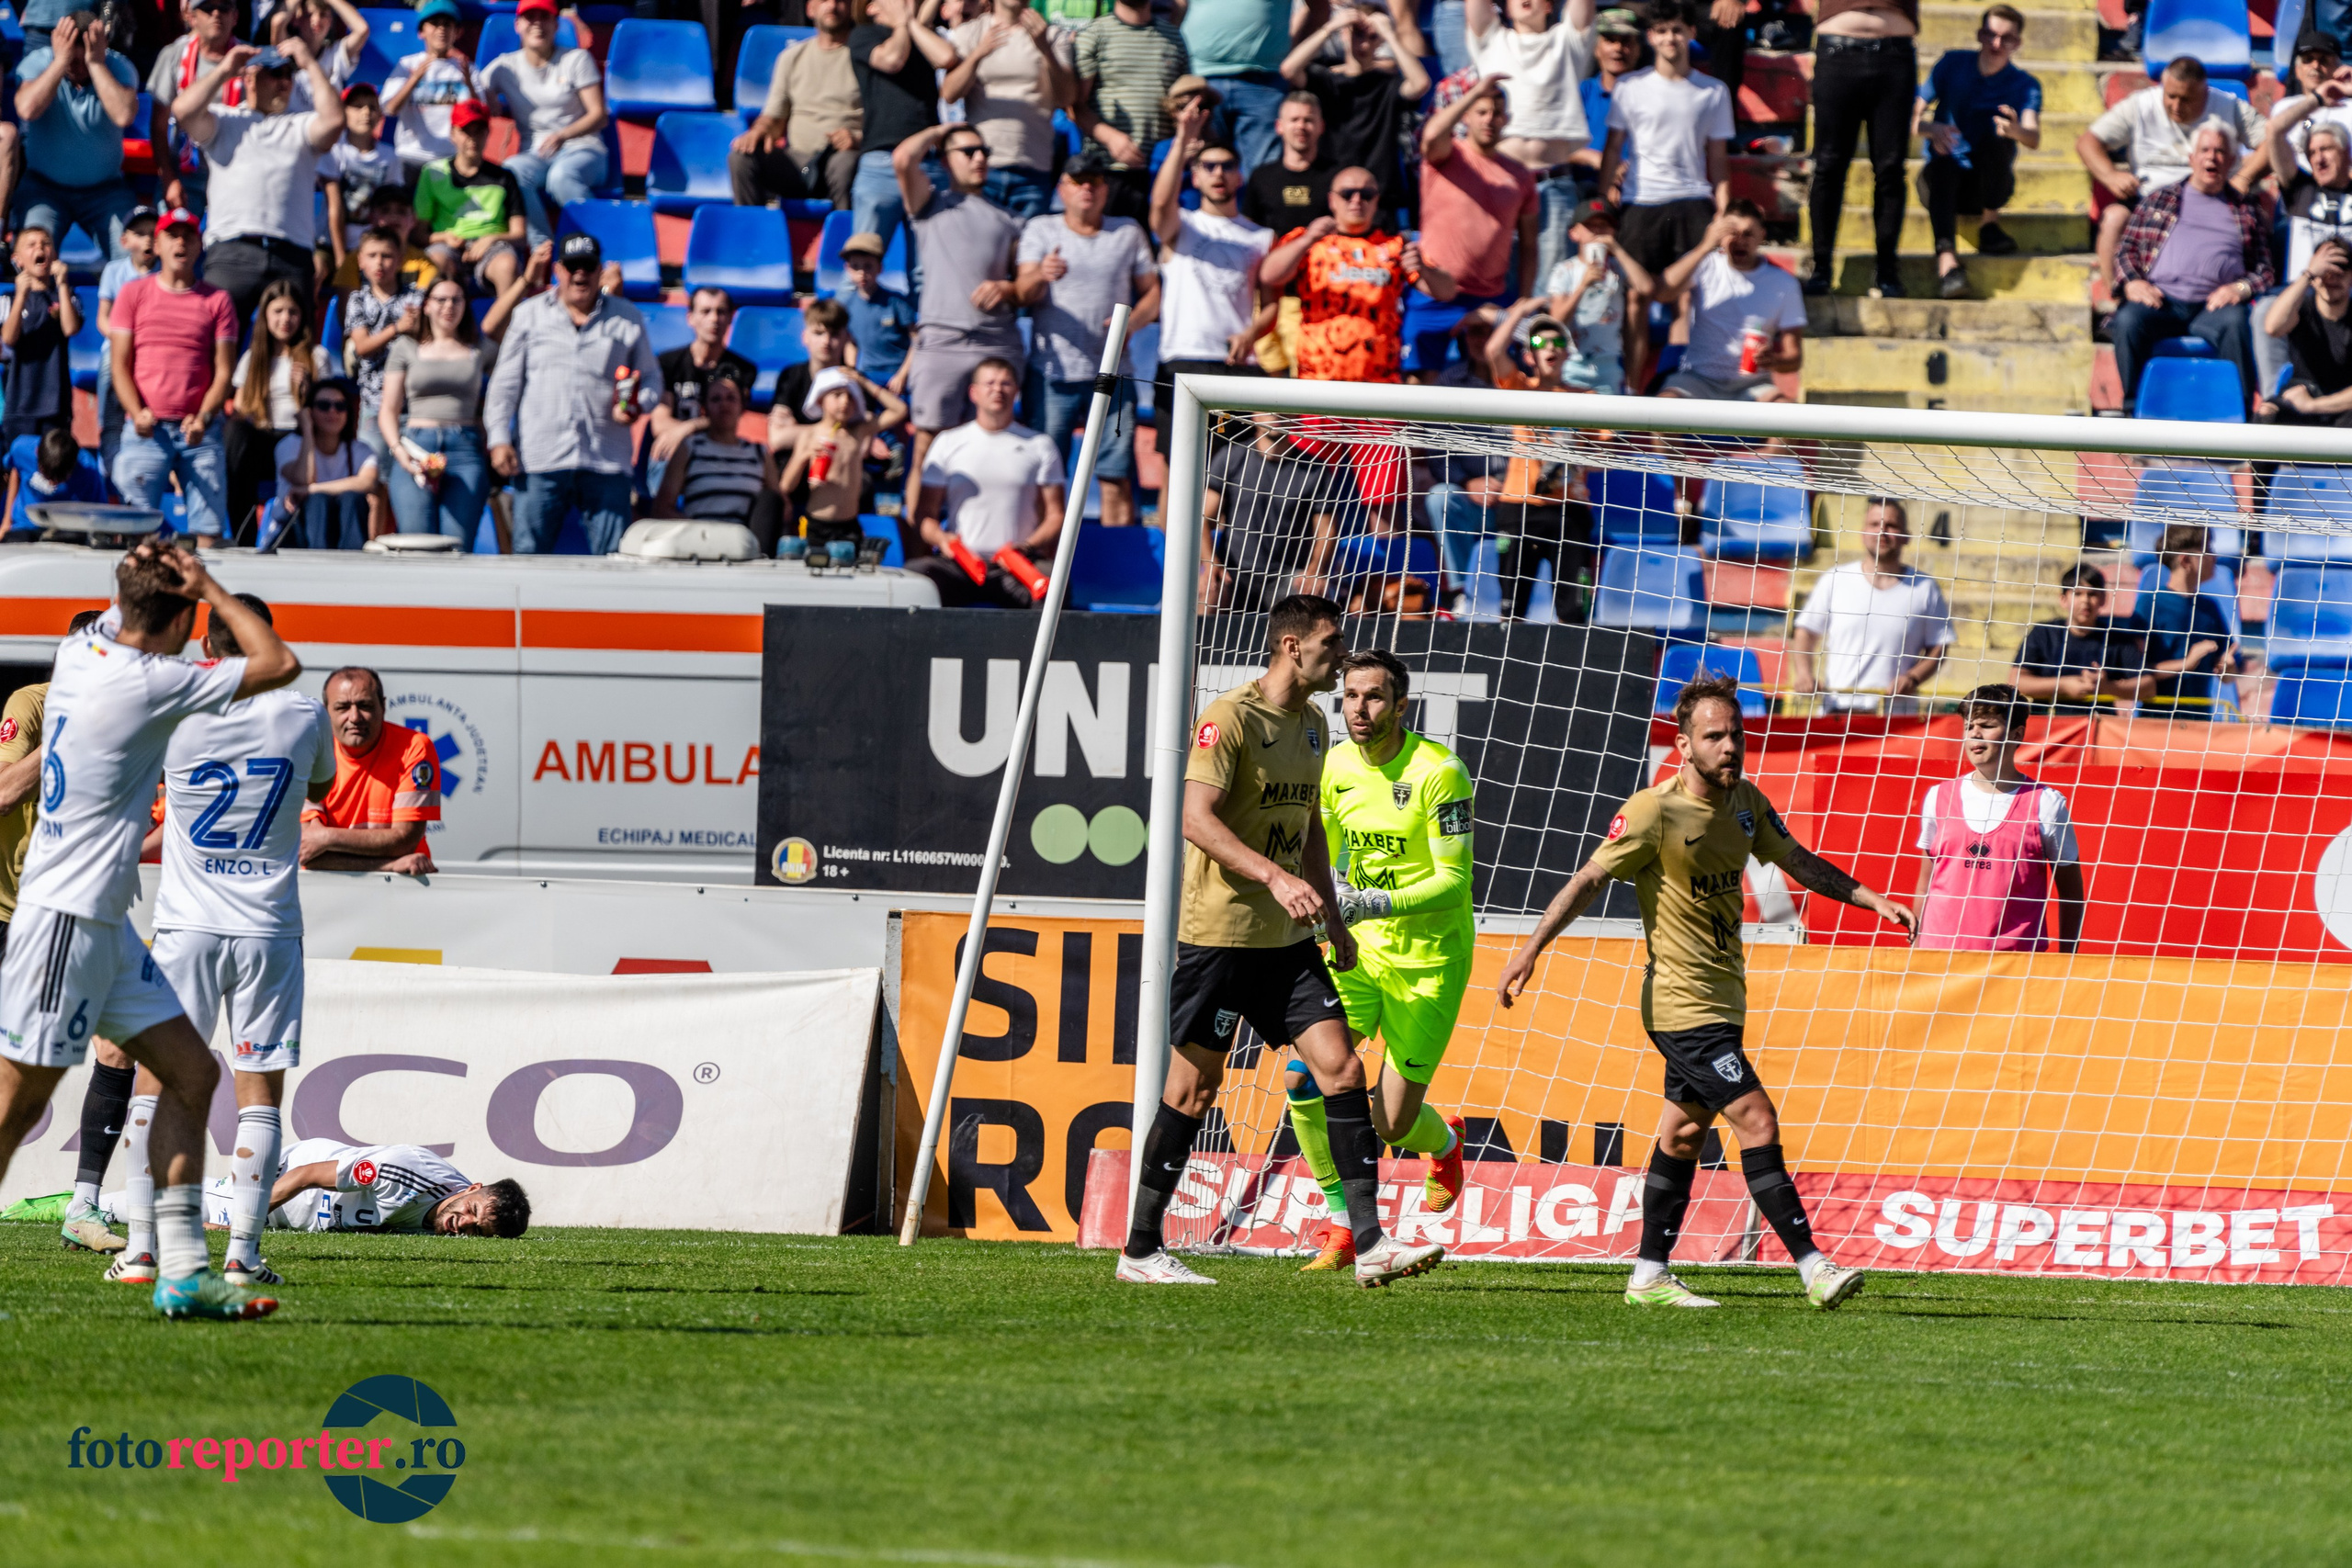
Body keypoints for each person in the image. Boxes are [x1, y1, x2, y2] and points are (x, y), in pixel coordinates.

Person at [1497, 671, 1913, 1310]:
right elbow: (1587, 879)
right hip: (1680, 1004)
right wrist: (1530, 948)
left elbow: (1797, 859)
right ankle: (1813, 1266)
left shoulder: (1746, 801)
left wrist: (1870, 899)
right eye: (1713, 736)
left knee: (1683, 1136)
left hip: (1724, 1000)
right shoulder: (1652, 810)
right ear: (1684, 745)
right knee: (1756, 1116)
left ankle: (1648, 1274)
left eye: (1736, 734)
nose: (1729, 746)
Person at [0, 541, 301, 1321]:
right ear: (179, 620)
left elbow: (134, 608)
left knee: (194, 1074)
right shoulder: (152, 684)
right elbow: (278, 663)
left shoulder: (82, 646)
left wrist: (158, 583)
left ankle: (181, 1271)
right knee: (15, 1105)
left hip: (105, 925)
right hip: (67, 918)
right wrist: (210, 584)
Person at [1121, 592, 1446, 1288]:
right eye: (1332, 644)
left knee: (1342, 1071)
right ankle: (1141, 1249)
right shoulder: (1229, 719)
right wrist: (1273, 877)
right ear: (1293, 647)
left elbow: (1311, 831)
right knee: (1192, 1091)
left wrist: (1331, 917)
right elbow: (1195, 820)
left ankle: (1372, 1243)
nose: (1341, 655)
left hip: (1289, 944)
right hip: (1220, 939)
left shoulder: (1315, 726)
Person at [123, 591, 338, 1289]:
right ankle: (244, 1253)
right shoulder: (304, 711)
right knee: (260, 1097)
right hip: (267, 929)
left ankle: (141, 1248)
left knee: (155, 1087)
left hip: (186, 926)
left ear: (207, 647)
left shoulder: (175, 710)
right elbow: (325, 781)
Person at [1284, 648, 1475, 1272]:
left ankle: (1443, 1143)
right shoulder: (1335, 764)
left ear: (1400, 705)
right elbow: (1327, 855)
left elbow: (1454, 881)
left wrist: (1375, 899)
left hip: (1430, 961)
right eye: (1350, 696)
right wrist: (1325, 901)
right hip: (1358, 951)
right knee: (1304, 1078)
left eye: (1373, 697)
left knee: (1392, 1123)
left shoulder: (1440, 772)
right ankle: (1344, 1224)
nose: (1358, 709)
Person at [0, 609, 127, 1256]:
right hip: (12, 916)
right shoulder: (31, 705)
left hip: (86, 916)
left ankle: (83, 1204)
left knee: (120, 1048)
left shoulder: (125, 716)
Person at [484, 231, 662, 555]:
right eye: (572, 266)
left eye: (588, 266)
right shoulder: (529, 314)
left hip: (606, 458)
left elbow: (651, 379)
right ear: (558, 270)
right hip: (541, 456)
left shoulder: (628, 317)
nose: (580, 273)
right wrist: (498, 439)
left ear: (599, 271)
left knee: (615, 561)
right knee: (528, 557)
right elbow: (504, 384)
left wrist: (637, 405)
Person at [1015, 148, 1159, 526]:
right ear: (1062, 188)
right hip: (1051, 373)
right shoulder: (1041, 229)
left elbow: (1154, 293)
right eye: (1078, 181)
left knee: (1114, 476)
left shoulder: (1127, 231)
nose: (1087, 189)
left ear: (1106, 188)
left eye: (1094, 181)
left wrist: (1132, 324)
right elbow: (1022, 293)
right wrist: (1040, 274)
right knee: (1046, 477)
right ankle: (1047, 561)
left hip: (1113, 374)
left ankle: (1113, 572)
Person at [175, 38, 346, 333]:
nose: (284, 82)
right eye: (274, 74)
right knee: (215, 350)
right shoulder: (224, 120)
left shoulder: (301, 124)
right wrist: (225, 69)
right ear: (250, 79)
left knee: (296, 359)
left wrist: (309, 62)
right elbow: (183, 111)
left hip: (291, 255)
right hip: (232, 253)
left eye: (288, 75)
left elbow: (334, 120)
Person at [2110, 123, 2272, 419]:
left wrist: (2239, 289)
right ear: (2191, 158)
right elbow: (2126, 250)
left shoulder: (2246, 210)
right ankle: (2134, 413)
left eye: (2221, 151)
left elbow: (2264, 270)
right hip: (2162, 302)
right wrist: (2133, 283)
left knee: (2237, 324)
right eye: (2206, 150)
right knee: (2127, 321)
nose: (2212, 158)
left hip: (2215, 307)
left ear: (2233, 160)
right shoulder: (2159, 199)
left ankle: (2241, 419)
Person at [1913, 683, 2086, 955]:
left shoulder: (2047, 803)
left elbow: (2071, 892)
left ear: (2017, 734)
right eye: (1969, 725)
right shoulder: (1938, 797)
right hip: (1938, 960)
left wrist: (2068, 958)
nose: (1974, 733)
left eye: (1986, 725)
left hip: (2012, 965)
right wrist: (1916, 948)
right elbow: (1926, 883)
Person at [895, 120, 1025, 481]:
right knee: (927, 448)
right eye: (968, 151)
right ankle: (920, 539)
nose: (980, 157)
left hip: (997, 344)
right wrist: (944, 128)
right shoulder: (929, 204)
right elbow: (904, 158)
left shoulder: (1010, 219)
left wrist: (1008, 288)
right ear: (946, 159)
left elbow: (1026, 286)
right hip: (941, 342)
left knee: (992, 451)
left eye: (984, 151)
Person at [2079, 58, 2267, 302]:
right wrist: (2111, 176)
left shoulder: (2227, 106)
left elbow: (2273, 141)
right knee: (2113, 218)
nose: (2176, 106)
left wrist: (2243, 178)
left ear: (2205, 92)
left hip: (2215, 201)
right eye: (2170, 96)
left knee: (2257, 218)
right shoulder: (2141, 105)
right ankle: (2118, 306)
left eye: (2186, 99)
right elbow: (2088, 142)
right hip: (2150, 204)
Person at [1603, 0, 1732, 345]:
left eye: (1677, 30)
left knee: (1688, 297)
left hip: (1693, 198)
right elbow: (1613, 149)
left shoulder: (1714, 91)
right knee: (1635, 298)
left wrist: (1723, 208)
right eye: (1661, 31)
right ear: (1650, 37)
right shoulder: (1629, 87)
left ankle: (1683, 383)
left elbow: (1718, 160)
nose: (1670, 38)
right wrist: (1603, 204)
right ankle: (1631, 392)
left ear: (1691, 33)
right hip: (1640, 200)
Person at [111, 207, 241, 546]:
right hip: (146, 431)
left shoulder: (218, 300)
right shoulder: (132, 294)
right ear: (158, 243)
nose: (181, 242)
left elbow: (224, 370)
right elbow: (119, 364)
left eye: (189, 236)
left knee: (209, 531)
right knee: (136, 534)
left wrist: (204, 416)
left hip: (200, 432)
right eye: (172, 235)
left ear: (200, 245)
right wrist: (136, 411)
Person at [1261, 165, 1456, 385]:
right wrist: (1307, 240)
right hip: (1318, 381)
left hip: (1379, 383)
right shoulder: (1309, 242)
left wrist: (1424, 268)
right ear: (1332, 200)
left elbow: (1447, 292)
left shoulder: (1395, 246)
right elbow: (1269, 275)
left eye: (1366, 194)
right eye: (1347, 194)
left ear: (1376, 200)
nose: (1356, 200)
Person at [1149, 105, 1272, 442]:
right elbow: (1160, 205)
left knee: (1235, 474)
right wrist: (1181, 140)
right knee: (1175, 474)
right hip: (1183, 357)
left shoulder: (1261, 237)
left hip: (1237, 364)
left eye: (1227, 166)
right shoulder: (1183, 226)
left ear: (1240, 175)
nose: (1218, 173)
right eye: (1209, 166)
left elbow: (1272, 303)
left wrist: (1250, 334)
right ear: (1196, 175)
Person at [908, 357, 1067, 607]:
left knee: (1056, 586)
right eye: (989, 383)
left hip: (1017, 564)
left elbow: (1056, 514)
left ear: (1016, 391)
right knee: (917, 578)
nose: (998, 390)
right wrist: (941, 539)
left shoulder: (1039, 445)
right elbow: (925, 515)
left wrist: (1027, 546)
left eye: (1006, 384)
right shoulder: (948, 442)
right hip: (961, 564)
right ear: (974, 392)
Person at [1464, 0, 1594, 288]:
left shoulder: (1568, 40)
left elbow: (1583, 9)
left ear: (1549, 5)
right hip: (1501, 185)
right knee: (1496, 285)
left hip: (1554, 187)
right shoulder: (1492, 40)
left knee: (1550, 290)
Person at [1915, 5, 2040, 299]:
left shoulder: (2024, 85)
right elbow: (1910, 117)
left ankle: (1990, 224)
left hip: (1987, 185)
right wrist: (1931, 129)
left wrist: (2015, 131)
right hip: (1940, 182)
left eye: (2006, 38)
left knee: (1998, 140)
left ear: (2017, 44)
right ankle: (1947, 263)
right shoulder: (1952, 64)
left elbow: (2032, 137)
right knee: (1943, 153)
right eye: (1990, 35)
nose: (1996, 45)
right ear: (1979, 35)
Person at [1790, 497, 1953, 713]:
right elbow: (1805, 631)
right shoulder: (1835, 579)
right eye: (1875, 524)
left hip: (1895, 717)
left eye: (1891, 525)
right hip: (1838, 710)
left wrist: (1912, 678)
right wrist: (1803, 674)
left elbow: (1939, 646)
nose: (1882, 532)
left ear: (1906, 536)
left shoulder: (1925, 587)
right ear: (1863, 532)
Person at [1481, 297, 1590, 618]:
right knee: (1511, 607)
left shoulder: (1588, 400)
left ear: (1568, 353)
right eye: (1541, 341)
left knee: (1574, 611)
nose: (1551, 347)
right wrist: (1518, 312)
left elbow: (1601, 456)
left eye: (1559, 341)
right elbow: (1493, 352)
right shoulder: (1520, 389)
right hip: (1519, 506)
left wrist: (1570, 452)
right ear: (1529, 356)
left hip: (1569, 510)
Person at [1803, 0, 1917, 299]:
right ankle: (1822, 266)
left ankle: (1887, 270)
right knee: (1828, 165)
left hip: (1895, 53)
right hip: (1837, 52)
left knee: (1890, 168)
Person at [1281, 4, 1429, 233]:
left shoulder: (1387, 85)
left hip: (1377, 196)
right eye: (1358, 34)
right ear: (1344, 34)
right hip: (1331, 195)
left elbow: (1421, 84)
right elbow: (1289, 69)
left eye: (1372, 37)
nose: (1365, 44)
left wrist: (1390, 33)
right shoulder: (1325, 80)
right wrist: (1329, 28)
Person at [13, 8, 142, 261]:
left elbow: (124, 115)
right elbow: (26, 110)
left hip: (106, 191)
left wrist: (96, 64)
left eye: (81, 60)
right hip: (43, 189)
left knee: (133, 258)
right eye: (70, 59)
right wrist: (59, 63)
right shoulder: (41, 61)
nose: (76, 67)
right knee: (30, 258)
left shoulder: (117, 66)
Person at [379, 276, 501, 542]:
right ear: (426, 306)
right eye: (441, 300)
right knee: (417, 543)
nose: (449, 307)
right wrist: (399, 452)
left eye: (456, 300)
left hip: (464, 447)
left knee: (457, 544)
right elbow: (388, 409)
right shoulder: (406, 347)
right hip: (415, 446)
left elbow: (507, 387)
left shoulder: (480, 349)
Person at [480, 0, 606, 246]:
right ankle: (543, 248)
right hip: (535, 154)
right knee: (511, 172)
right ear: (517, 25)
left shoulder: (576, 59)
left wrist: (563, 135)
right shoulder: (504, 66)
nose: (537, 24)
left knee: (562, 178)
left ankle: (591, 247)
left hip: (583, 147)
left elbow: (598, 115)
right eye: (530, 17)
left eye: (544, 17)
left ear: (556, 25)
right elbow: (476, 92)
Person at [1655, 199, 1804, 400]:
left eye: (1748, 234)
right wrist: (1705, 245)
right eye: (1732, 232)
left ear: (1762, 235)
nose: (1740, 240)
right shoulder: (1707, 264)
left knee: (1789, 425)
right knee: (1661, 414)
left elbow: (1794, 359)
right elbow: (1663, 293)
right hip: (1698, 378)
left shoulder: (1783, 283)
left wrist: (1773, 360)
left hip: (1752, 384)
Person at [847, 0, 958, 264]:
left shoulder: (922, 36)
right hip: (881, 164)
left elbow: (946, 58)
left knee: (928, 271)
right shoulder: (864, 35)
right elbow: (892, 60)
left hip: (927, 165)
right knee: (863, 265)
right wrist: (902, 24)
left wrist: (909, 23)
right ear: (872, 7)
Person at [944, 0, 1075, 221]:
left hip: (1034, 168)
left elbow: (1066, 98)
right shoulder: (969, 33)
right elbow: (949, 94)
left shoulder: (1052, 35)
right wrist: (978, 54)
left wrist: (1044, 48)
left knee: (1026, 254)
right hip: (983, 167)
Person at [232, 1137, 530, 1235]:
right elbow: (304, 1175)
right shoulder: (404, 1171)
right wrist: (242, 1224)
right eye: (471, 1209)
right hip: (274, 1179)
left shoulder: (450, 1229)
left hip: (292, 1220)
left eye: (476, 1229)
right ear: (471, 1188)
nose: (462, 1223)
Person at [1418, 71, 1538, 309]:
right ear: (1466, 117)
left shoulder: (1521, 176)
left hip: (1489, 298)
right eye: (1481, 112)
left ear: (1506, 119)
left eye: (1496, 113)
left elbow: (1529, 245)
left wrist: (1523, 300)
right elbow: (1431, 135)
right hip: (1431, 292)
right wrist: (1474, 93)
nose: (1488, 120)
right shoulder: (1447, 155)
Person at [302, 666, 439, 874]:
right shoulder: (310, 753)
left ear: (383, 707)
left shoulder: (414, 747)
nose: (355, 717)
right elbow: (309, 853)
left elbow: (405, 841)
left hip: (404, 892)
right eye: (342, 708)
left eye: (365, 705)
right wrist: (391, 865)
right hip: (329, 891)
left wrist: (327, 837)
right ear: (325, 712)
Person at [1199, 412, 1339, 610]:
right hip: (1234, 573)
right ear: (1255, 416)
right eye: (1270, 410)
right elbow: (1203, 518)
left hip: (1286, 576)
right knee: (1209, 588)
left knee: (1314, 597)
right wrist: (1211, 562)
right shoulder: (1231, 457)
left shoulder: (1315, 469)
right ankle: (1201, 642)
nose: (1276, 416)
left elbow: (1326, 530)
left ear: (1296, 417)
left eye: (1283, 410)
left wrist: (1315, 570)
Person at [2260, 102, 2352, 404]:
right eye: (2312, 152)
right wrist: (2316, 98)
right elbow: (2274, 130)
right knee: (2264, 312)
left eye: (2327, 149)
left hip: (2348, 290)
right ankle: (2277, 397)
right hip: (2303, 291)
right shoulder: (2301, 189)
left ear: (2347, 154)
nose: (2318, 158)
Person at [729, 0, 860, 210]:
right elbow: (774, 118)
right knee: (741, 158)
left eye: (840, 1)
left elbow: (883, 122)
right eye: (824, 0)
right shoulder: (791, 58)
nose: (833, 6)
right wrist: (758, 133)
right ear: (810, 9)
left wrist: (856, 140)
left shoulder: (866, 58)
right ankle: (753, 234)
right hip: (798, 162)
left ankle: (845, 239)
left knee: (845, 165)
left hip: (843, 157)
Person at [225, 276, 328, 535]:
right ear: (265, 316)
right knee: (235, 436)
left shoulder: (317, 357)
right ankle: (242, 535)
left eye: (292, 312)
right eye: (278, 311)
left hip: (299, 437)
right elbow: (239, 411)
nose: (285, 319)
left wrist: (308, 391)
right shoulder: (252, 359)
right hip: (263, 437)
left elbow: (329, 409)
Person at [1072, 0, 1190, 218]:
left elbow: (1184, 101)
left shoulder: (1174, 37)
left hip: (1161, 172)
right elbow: (1074, 106)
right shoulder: (1095, 33)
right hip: (1108, 171)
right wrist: (1110, 137)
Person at [1181, 0, 1328, 175]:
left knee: (1264, 174)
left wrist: (1292, 51)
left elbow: (1320, 9)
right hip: (1201, 79)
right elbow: (1177, 8)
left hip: (1265, 83)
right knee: (1206, 167)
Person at [778, 364, 908, 555]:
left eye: (850, 396)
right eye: (837, 395)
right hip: (816, 525)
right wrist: (805, 456)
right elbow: (786, 486)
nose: (845, 401)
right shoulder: (809, 435)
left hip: (849, 526)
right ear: (821, 399)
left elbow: (899, 409)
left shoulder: (858, 432)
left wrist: (863, 382)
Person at [413, 97, 527, 299]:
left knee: (507, 266)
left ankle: (509, 329)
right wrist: (445, 237)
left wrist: (490, 238)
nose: (472, 138)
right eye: (466, 131)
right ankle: (429, 330)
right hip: (448, 244)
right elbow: (419, 234)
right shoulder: (432, 173)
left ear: (487, 133)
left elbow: (519, 234)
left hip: (493, 246)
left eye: (479, 131)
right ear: (453, 134)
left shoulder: (504, 176)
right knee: (432, 263)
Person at [1543, 195, 1651, 393]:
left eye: (1604, 225)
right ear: (1574, 233)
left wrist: (1617, 249)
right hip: (1571, 363)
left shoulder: (1618, 267)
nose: (1598, 231)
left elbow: (1646, 288)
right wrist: (1583, 285)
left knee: (1607, 424)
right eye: (1590, 225)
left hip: (1608, 364)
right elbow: (1555, 321)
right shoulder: (1564, 270)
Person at [344, 222, 428, 476]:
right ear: (361, 261)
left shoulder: (417, 298)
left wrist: (418, 330)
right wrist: (398, 328)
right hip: (374, 401)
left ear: (401, 260)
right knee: (373, 478)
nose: (379, 263)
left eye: (387, 255)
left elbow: (427, 342)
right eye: (372, 256)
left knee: (417, 471)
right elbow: (363, 347)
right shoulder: (358, 300)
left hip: (413, 402)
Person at [2009, 562, 2151, 711]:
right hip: (2050, 727)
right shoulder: (2043, 633)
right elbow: (2015, 681)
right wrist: (2063, 685)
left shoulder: (2117, 638)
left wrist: (2107, 687)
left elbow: (2148, 687)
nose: (2085, 601)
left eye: (2092, 594)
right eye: (2078, 594)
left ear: (2103, 599)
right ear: (2063, 600)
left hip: (2098, 726)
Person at [2132, 524, 2238, 720]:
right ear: (2186, 560)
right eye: (2207, 550)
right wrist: (2187, 663)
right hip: (2156, 720)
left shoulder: (2209, 607)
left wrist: (2228, 667)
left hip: (2198, 720)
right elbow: (2136, 671)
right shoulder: (2150, 604)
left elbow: (2227, 676)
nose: (2214, 557)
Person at [148, 0, 242, 214]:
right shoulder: (173, 55)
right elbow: (159, 127)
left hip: (233, 172)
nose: (216, 14)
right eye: (208, 8)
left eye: (224, 8)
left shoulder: (247, 59)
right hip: (185, 173)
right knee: (168, 237)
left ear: (235, 17)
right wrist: (170, 179)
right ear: (191, 17)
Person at [650, 286, 757, 468]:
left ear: (731, 317)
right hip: (674, 449)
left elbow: (726, 424)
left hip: (718, 451)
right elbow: (660, 424)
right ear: (690, 318)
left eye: (721, 312)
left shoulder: (742, 369)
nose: (714, 319)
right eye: (706, 311)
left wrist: (689, 427)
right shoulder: (667, 363)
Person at [654, 372, 775, 534]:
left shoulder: (760, 453)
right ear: (704, 409)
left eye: (731, 398)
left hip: (747, 546)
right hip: (701, 543)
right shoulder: (689, 449)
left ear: (742, 407)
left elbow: (780, 505)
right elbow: (661, 508)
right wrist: (703, 533)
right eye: (716, 399)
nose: (724, 405)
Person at [318, 82, 401, 293]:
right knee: (316, 270)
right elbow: (334, 207)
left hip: (372, 247)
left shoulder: (389, 157)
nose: (366, 113)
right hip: (331, 244)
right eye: (357, 106)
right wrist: (340, 258)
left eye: (372, 107)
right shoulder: (334, 152)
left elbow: (392, 210)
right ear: (343, 111)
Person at [96, 205, 158, 478]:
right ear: (124, 241)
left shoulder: (165, 276)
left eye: (153, 234)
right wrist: (125, 342)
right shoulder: (114, 271)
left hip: (154, 352)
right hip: (119, 349)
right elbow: (103, 319)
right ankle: (108, 452)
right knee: (111, 365)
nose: (147, 240)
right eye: (140, 233)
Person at [2, 225, 80, 445]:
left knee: (54, 466)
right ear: (18, 260)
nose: (41, 248)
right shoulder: (8, 298)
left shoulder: (66, 296)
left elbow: (70, 328)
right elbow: (8, 338)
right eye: (32, 244)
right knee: (17, 465)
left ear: (54, 255)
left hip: (56, 403)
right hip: (19, 402)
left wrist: (63, 285)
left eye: (46, 243)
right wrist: (20, 296)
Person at [379, 0, 477, 174]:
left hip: (451, 159)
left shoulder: (466, 68)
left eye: (447, 24)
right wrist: (414, 79)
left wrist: (468, 82)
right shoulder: (407, 64)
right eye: (434, 24)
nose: (441, 30)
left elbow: (479, 114)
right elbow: (390, 109)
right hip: (410, 156)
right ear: (421, 32)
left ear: (457, 32)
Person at [281, 376, 378, 547]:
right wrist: (308, 431)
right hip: (298, 533)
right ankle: (317, 564)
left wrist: (309, 490)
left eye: (340, 406)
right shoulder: (290, 445)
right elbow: (303, 479)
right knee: (318, 500)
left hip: (344, 530)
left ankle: (353, 564)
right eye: (324, 406)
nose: (333, 412)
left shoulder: (361, 449)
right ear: (309, 411)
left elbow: (367, 483)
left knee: (352, 498)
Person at [1570, 6, 1643, 180]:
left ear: (1638, 50)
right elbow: (1558, 145)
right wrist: (1594, 158)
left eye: (1626, 41)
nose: (1618, 48)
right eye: (1610, 40)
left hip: (1638, 188)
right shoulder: (1581, 92)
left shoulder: (1652, 95)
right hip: (1586, 188)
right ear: (1596, 49)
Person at [839, 232, 919, 391]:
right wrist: (852, 371)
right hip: (868, 376)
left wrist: (902, 375)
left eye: (868, 266)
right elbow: (851, 342)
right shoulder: (847, 305)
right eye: (855, 266)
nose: (862, 273)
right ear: (847, 268)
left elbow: (916, 340)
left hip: (899, 375)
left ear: (880, 268)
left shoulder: (896, 302)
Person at [271, 0, 371, 113]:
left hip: (330, 126)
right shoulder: (288, 48)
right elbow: (278, 22)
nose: (316, 20)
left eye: (323, 14)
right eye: (309, 15)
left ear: (330, 21)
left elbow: (362, 29)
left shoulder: (335, 53)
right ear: (296, 20)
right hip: (294, 126)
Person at [6, 427, 108, 536]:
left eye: (60, 479)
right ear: (36, 453)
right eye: (47, 476)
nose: (52, 484)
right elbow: (16, 469)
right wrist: (6, 522)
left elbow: (100, 513)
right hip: (25, 525)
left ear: (74, 465)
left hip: (67, 529)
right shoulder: (21, 448)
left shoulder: (89, 470)